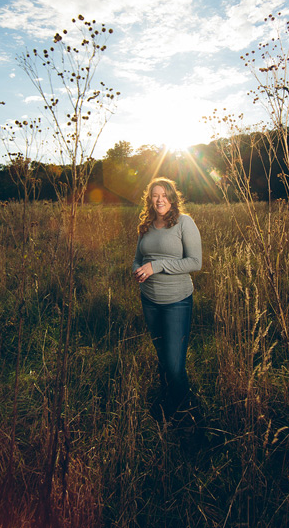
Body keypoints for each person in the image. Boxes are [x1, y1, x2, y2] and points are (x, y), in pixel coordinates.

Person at [132, 177, 202, 423]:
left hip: (177, 301)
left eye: (164, 195)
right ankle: (167, 406)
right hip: (150, 300)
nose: (159, 199)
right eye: (154, 195)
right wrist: (138, 269)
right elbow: (138, 258)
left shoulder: (184, 223)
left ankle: (186, 415)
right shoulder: (146, 225)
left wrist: (157, 266)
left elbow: (195, 262)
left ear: (172, 197)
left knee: (174, 366)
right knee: (162, 358)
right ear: (149, 200)